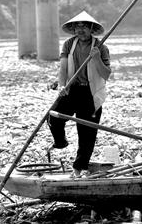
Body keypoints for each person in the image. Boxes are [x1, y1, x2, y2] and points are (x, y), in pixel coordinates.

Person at [48, 11, 111, 178]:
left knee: (87, 134)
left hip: (90, 93)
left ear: (91, 28)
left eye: (84, 27)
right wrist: (62, 86)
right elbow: (62, 68)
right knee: (54, 117)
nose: (80, 30)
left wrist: (96, 58)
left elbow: (106, 75)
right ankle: (60, 142)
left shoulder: (101, 47)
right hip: (72, 89)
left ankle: (78, 169)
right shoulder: (69, 44)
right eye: (77, 27)